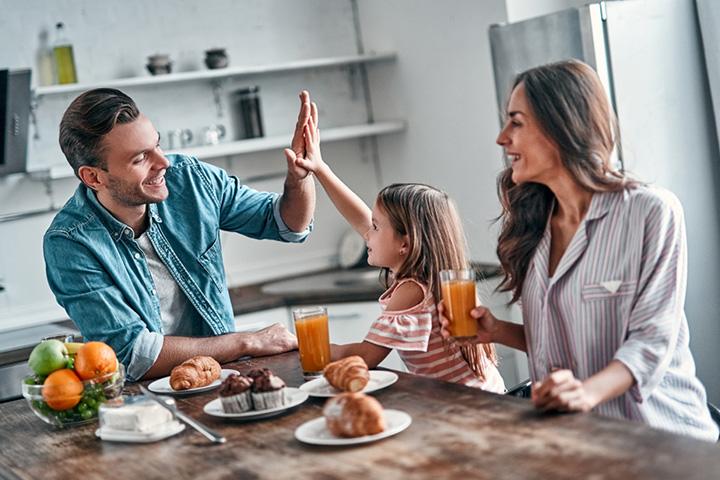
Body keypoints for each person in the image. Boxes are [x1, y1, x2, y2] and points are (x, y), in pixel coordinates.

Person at [440, 59, 718, 441]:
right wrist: (498, 331)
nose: (502, 138)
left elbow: (651, 343)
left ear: (560, 126)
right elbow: (569, 344)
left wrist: (586, 392)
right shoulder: (534, 226)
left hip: (662, 441)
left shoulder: (650, 211)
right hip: (580, 442)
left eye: (516, 122)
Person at [43, 88, 317, 382]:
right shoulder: (70, 242)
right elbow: (134, 355)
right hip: (148, 402)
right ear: (94, 177)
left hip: (220, 379)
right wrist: (246, 341)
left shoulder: (191, 179)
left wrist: (300, 177)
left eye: (157, 145)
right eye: (140, 159)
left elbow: (287, 224)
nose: (163, 163)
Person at [285, 104, 505, 392]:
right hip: (486, 393)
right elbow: (360, 217)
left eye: (376, 228)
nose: (367, 234)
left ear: (405, 243)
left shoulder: (412, 289)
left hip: (472, 406)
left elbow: (366, 357)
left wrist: (306, 346)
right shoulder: (426, 276)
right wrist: (320, 169)